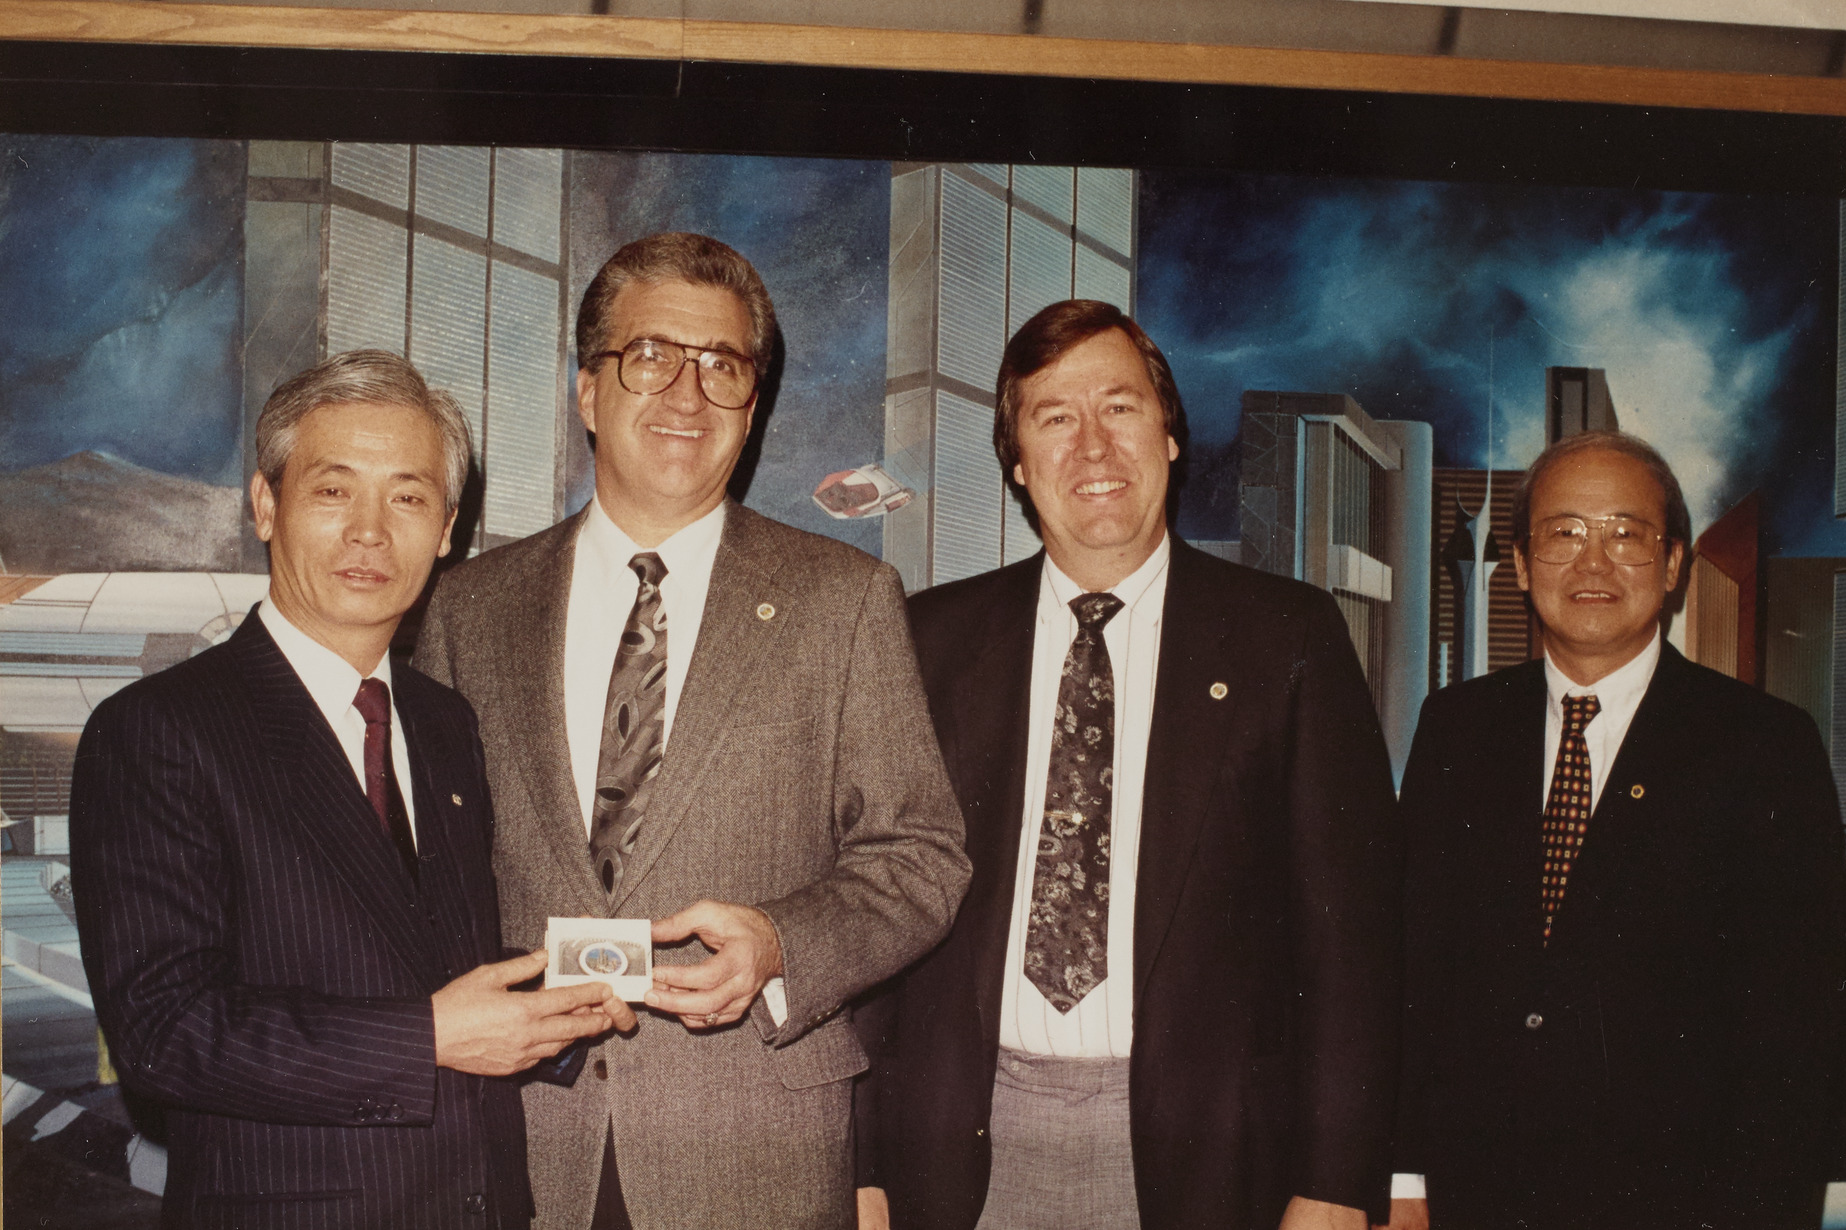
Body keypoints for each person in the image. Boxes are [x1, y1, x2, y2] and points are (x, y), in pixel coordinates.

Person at [413, 231, 971, 1229]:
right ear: (588, 391)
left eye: (722, 368)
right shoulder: (467, 609)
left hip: (754, 1148)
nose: (685, 394)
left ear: (751, 411)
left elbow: (921, 857)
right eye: (650, 356)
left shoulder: (842, 601)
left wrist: (781, 943)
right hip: (518, 1143)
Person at [858, 300, 1404, 1230]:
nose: (1092, 448)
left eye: (1119, 408)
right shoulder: (926, 639)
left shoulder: (1289, 638)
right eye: (1054, 417)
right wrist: (864, 1173)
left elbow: (1350, 941)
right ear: (1018, 464)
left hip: (1211, 1152)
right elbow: (874, 907)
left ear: (1171, 436)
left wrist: (1336, 1186)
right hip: (957, 1147)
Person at [70, 350, 621, 1228]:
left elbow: (427, 965)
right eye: (333, 491)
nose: (371, 531)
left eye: (408, 497)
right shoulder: (158, 731)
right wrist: (431, 1037)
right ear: (264, 505)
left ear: (446, 529)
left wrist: (564, 1002)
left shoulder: (446, 726)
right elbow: (162, 1034)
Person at [1388, 431, 1846, 1230]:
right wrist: (1400, 1176)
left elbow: (1797, 1035)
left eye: (1624, 535)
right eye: (1563, 533)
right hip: (1474, 1199)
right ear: (1522, 565)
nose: (1592, 564)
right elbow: (1410, 969)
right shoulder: (1456, 728)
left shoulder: (1764, 746)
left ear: (1672, 565)